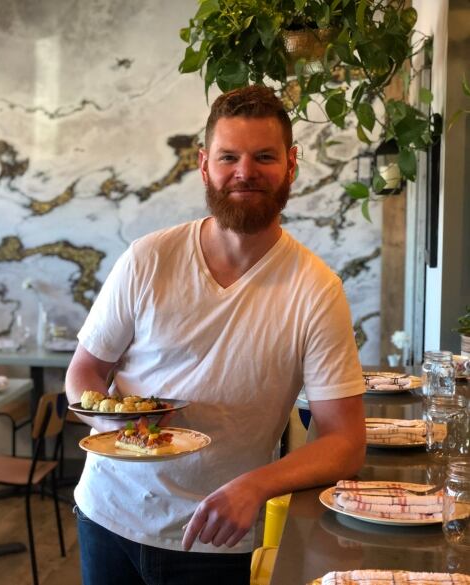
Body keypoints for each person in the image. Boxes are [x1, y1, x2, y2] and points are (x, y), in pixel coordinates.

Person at [65, 85, 366, 585]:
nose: (245, 172)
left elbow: (344, 442)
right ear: (204, 165)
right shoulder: (148, 258)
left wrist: (256, 486)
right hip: (108, 515)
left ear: (291, 165)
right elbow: (86, 370)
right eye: (229, 157)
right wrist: (110, 429)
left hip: (218, 536)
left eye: (264, 157)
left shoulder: (316, 290)